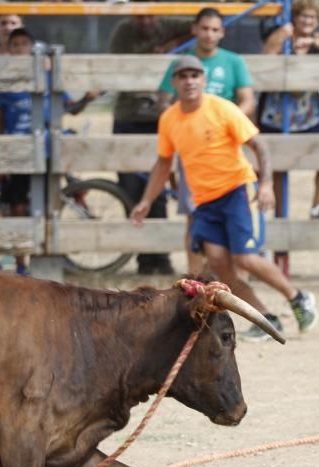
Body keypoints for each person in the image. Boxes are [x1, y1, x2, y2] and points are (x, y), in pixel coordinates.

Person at [130, 56, 319, 343]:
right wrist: (146, 201)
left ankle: (298, 298)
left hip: (236, 190)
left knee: (244, 257)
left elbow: (259, 144)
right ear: (175, 82)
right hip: (204, 201)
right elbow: (163, 163)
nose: (190, 80)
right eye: (183, 75)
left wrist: (266, 184)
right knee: (219, 264)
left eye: (195, 74)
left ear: (203, 80)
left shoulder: (221, 108)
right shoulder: (169, 119)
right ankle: (265, 317)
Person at [0, 29, 95, 276]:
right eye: (15, 45)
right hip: (17, 153)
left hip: (47, 152)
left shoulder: (49, 77)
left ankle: (45, 260)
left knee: (48, 207)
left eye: (25, 44)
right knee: (17, 209)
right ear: (9, 49)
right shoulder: (3, 83)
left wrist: (86, 99)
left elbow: (69, 108)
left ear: (33, 48)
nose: (20, 49)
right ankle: (20, 264)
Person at [159, 7, 257, 277]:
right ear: (194, 30)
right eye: (204, 28)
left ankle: (237, 276)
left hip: (224, 144)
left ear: (222, 32)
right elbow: (164, 98)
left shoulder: (233, 61)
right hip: (192, 149)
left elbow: (248, 98)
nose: (209, 34)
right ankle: (195, 276)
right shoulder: (182, 62)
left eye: (215, 29)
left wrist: (227, 119)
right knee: (194, 215)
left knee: (235, 214)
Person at [110, 14, 192, 276]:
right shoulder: (123, 31)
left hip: (158, 118)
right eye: (141, 16)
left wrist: (173, 43)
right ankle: (144, 257)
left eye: (151, 16)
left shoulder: (169, 23)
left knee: (159, 188)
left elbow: (196, 27)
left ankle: (161, 256)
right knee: (132, 189)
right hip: (129, 117)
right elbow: (116, 64)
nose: (146, 21)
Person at [261, 0, 319, 223]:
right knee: (278, 165)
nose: (307, 21)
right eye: (303, 16)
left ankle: (317, 203)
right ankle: (280, 213)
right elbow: (266, 55)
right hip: (278, 113)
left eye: (312, 18)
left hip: (308, 113)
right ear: (294, 18)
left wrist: (309, 41)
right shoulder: (281, 37)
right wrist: (285, 35)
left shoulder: (318, 42)